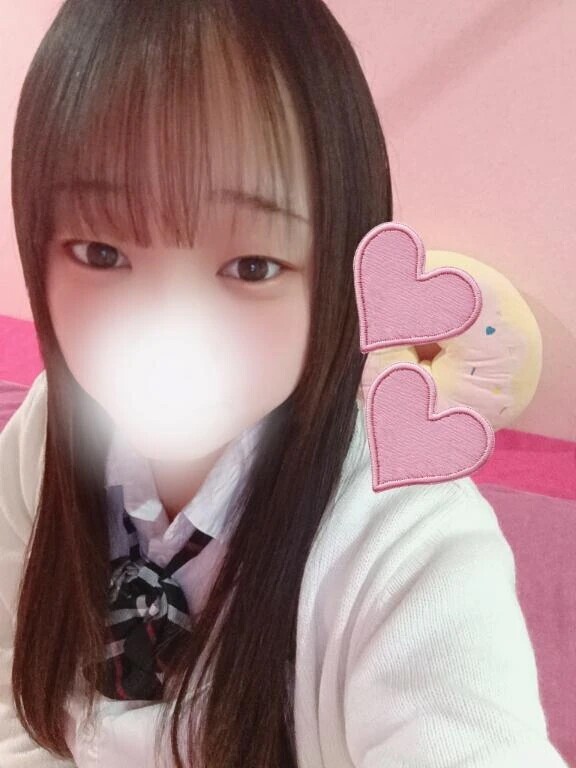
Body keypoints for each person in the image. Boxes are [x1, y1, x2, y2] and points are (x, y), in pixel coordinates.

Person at [0, 1, 568, 766]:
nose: (168, 333)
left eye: (251, 266)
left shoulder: (405, 531)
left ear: (336, 268)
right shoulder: (49, 427)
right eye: (101, 253)